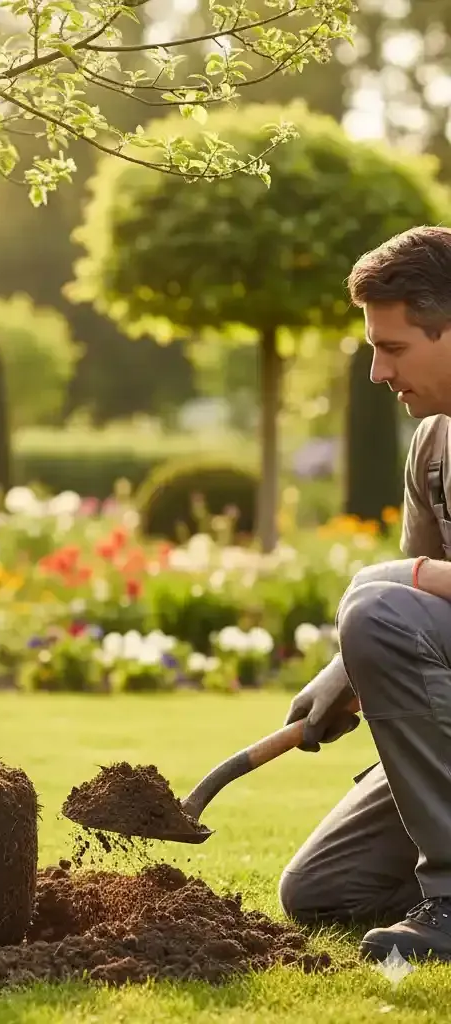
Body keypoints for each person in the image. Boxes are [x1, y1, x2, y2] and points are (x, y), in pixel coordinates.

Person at [278, 224, 451, 963]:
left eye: (394, 348)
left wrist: (390, 584)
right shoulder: (434, 443)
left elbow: (405, 597)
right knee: (322, 890)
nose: (378, 372)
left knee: (380, 600)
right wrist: (346, 672)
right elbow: (422, 616)